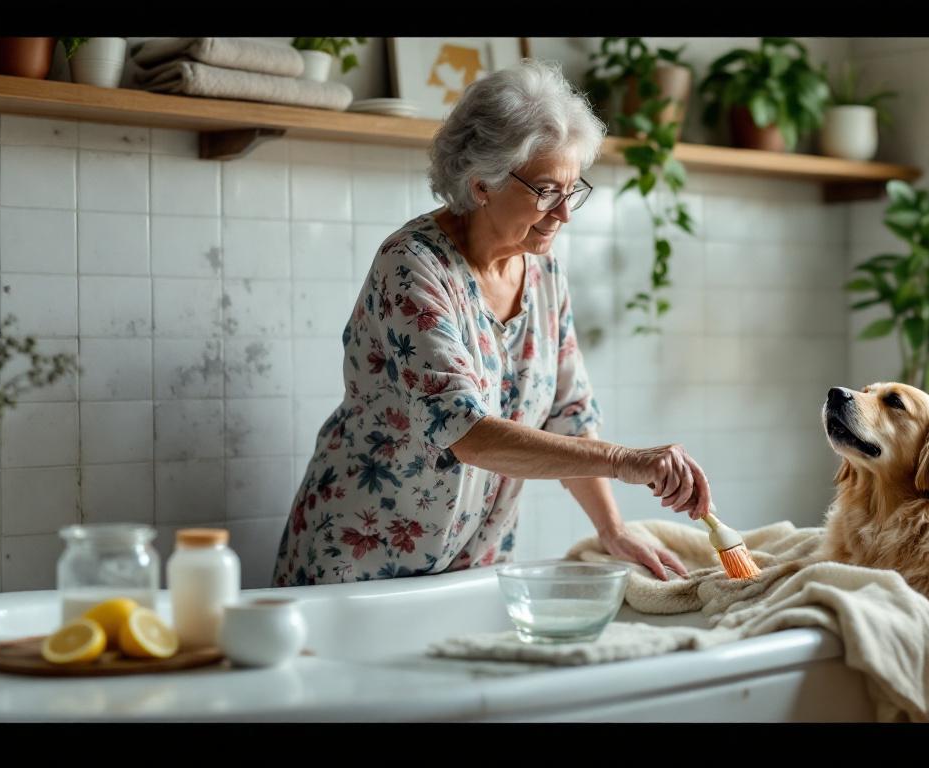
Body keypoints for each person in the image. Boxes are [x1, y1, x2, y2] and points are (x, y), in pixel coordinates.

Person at [273, 59, 713, 587]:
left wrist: (612, 530)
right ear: (482, 184)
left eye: (571, 189)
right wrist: (624, 460)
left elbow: (569, 415)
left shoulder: (544, 273)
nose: (564, 213)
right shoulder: (412, 266)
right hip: (358, 564)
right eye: (546, 191)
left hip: (471, 566)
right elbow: (465, 432)